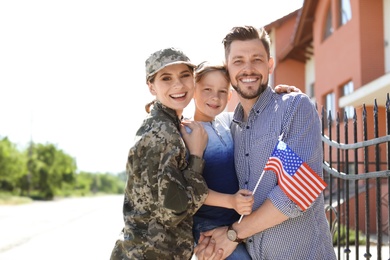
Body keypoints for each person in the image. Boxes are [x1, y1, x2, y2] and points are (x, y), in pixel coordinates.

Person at [194, 26, 336, 260]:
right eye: (238, 61)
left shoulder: (292, 108)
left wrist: (233, 234)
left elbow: (297, 191)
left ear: (269, 65)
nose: (248, 69)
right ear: (228, 70)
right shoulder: (229, 128)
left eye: (256, 60)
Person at [110, 47, 210, 260]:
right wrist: (196, 158)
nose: (178, 85)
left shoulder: (169, 125)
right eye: (166, 78)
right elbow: (172, 211)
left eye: (185, 75)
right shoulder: (162, 133)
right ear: (151, 87)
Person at [191, 62, 253, 260]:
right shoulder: (188, 132)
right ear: (193, 89)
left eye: (221, 91)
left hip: (237, 222)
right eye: (207, 89)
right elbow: (190, 189)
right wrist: (231, 201)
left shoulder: (226, 122)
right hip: (208, 228)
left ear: (229, 96)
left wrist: (282, 93)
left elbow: (259, 108)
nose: (215, 97)